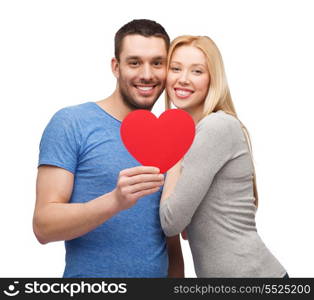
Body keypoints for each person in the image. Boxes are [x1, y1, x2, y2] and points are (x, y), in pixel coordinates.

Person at [33, 19, 184, 278]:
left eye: (157, 63)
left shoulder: (172, 138)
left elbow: (169, 239)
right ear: (116, 67)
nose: (147, 74)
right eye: (134, 62)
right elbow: (43, 226)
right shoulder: (72, 123)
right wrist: (115, 201)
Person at [159, 35, 288, 277]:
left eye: (197, 71)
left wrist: (172, 149)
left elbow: (171, 222)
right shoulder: (199, 132)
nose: (183, 79)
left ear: (212, 79)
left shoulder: (216, 127)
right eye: (175, 68)